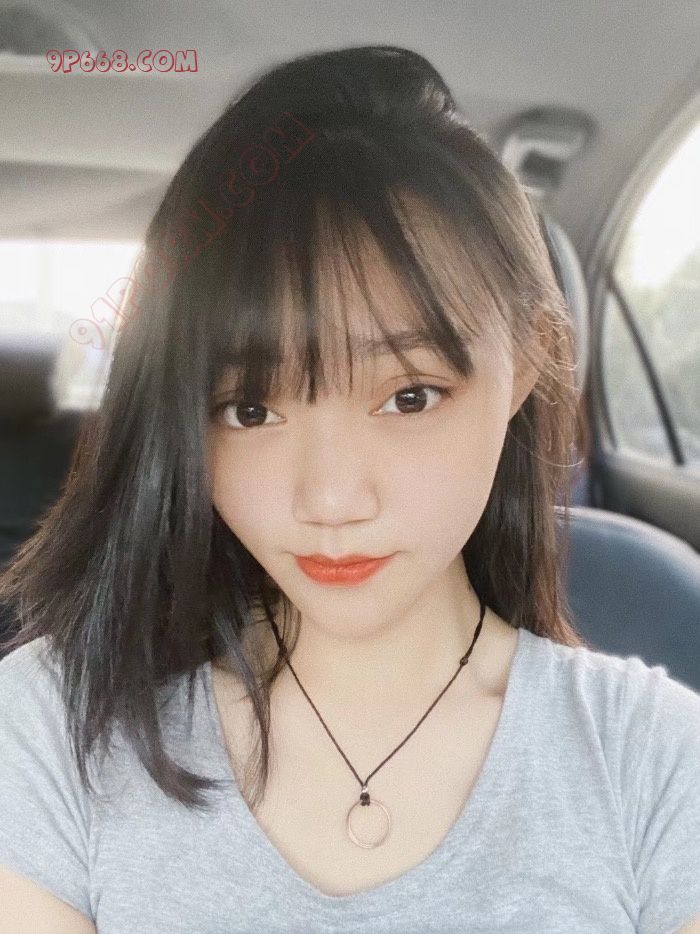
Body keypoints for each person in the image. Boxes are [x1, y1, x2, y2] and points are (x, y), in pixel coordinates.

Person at [1, 44, 699, 934]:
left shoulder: (658, 761)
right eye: (250, 409)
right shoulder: (56, 726)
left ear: (526, 366)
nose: (329, 501)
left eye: (409, 397)